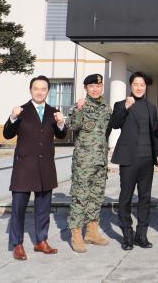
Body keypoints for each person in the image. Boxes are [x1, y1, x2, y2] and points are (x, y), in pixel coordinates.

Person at [3, 75, 67, 260]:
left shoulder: (53, 112)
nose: (40, 91)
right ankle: (17, 244)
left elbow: (61, 135)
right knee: (19, 208)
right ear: (30, 90)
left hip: (45, 166)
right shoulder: (21, 111)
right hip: (24, 167)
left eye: (43, 89)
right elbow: (7, 134)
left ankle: (41, 241)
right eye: (36, 88)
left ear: (48, 91)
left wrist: (61, 123)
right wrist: (12, 117)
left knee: (43, 207)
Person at [109, 72, 158, 250]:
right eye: (136, 84)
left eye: (142, 85)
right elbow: (115, 124)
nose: (139, 88)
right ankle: (127, 234)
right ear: (130, 86)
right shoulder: (121, 104)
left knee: (145, 198)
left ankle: (141, 234)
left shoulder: (151, 107)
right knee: (125, 197)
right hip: (129, 159)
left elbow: (155, 131)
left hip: (147, 159)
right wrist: (125, 106)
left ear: (145, 87)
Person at [66, 74, 112, 253]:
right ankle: (76, 234)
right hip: (83, 162)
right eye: (91, 86)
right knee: (80, 197)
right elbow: (71, 127)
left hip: (100, 160)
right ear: (85, 88)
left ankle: (92, 232)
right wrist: (78, 110)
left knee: (96, 197)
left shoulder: (106, 108)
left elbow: (106, 131)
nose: (95, 89)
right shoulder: (80, 106)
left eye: (98, 86)